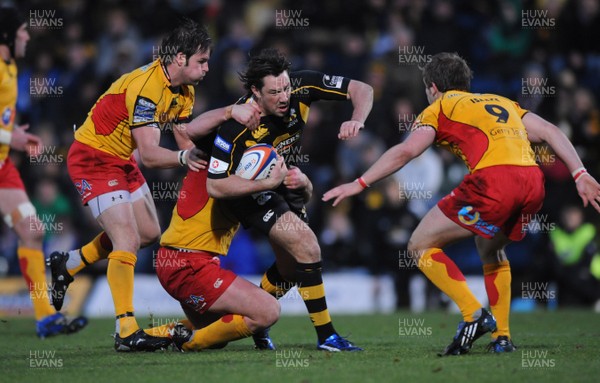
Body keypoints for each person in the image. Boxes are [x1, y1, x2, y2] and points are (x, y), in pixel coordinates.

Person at [323, 52, 600, 355]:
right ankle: (502, 337)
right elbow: (550, 131)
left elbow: (406, 152)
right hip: (533, 185)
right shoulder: (502, 103)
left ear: (431, 87)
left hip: (493, 182)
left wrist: (359, 183)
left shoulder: (439, 108)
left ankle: (474, 313)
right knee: (491, 248)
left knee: (419, 245)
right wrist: (580, 173)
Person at [46, 18, 260, 352]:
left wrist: (217, 141)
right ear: (179, 59)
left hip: (121, 159)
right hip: (94, 157)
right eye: (201, 60)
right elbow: (149, 153)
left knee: (147, 234)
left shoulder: (185, 90)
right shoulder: (147, 89)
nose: (207, 67)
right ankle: (126, 331)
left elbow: (182, 136)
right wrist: (182, 159)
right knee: (128, 240)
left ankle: (68, 263)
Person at [206, 48, 373, 351]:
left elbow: (362, 89)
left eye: (285, 87)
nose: (285, 96)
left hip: (282, 182)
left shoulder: (301, 86)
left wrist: (356, 119)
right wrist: (266, 181)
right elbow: (214, 186)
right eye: (274, 92)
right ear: (255, 92)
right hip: (248, 192)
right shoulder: (235, 126)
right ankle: (327, 337)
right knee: (307, 247)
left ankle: (254, 319)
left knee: (291, 268)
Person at [0, 5, 87, 338]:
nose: (26, 35)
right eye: (21, 30)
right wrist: (13, 136)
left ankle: (44, 317)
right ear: (7, 33)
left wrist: (11, 135)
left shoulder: (10, 66)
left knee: (33, 231)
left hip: (3, 166)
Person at [152, 133, 283, 351]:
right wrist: (230, 111)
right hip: (189, 264)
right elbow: (187, 129)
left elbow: (184, 132)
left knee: (215, 334)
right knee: (268, 311)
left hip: (175, 261)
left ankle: (145, 336)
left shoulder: (213, 169)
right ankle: (189, 345)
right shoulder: (216, 173)